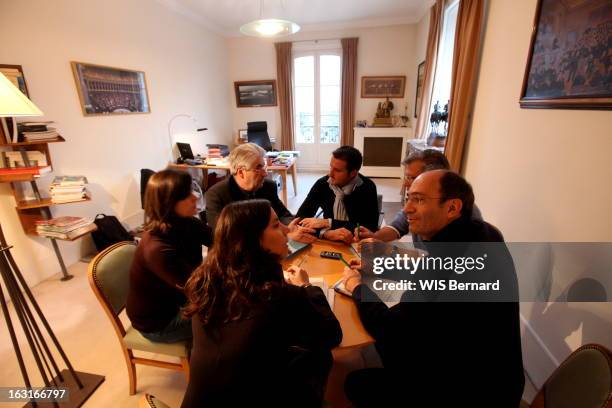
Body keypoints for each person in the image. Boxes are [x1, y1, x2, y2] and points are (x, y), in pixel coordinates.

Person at [342, 170, 524, 407]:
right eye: (408, 198)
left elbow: (389, 328)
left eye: (418, 199)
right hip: (500, 377)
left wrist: (357, 287)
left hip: (472, 391)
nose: (407, 208)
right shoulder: (482, 231)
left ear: (452, 208)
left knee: (355, 381)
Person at [181, 200, 342, 407]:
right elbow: (333, 335)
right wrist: (307, 287)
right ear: (254, 241)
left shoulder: (206, 281)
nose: (286, 230)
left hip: (201, 400)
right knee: (320, 356)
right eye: (276, 225)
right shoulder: (282, 297)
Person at [127, 169, 212, 343]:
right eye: (186, 194)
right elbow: (198, 289)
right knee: (235, 316)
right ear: (169, 203)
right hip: (161, 322)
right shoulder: (157, 248)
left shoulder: (186, 222)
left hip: (180, 299)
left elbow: (219, 239)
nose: (195, 196)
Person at [355, 149, 481, 242]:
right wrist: (374, 237)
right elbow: (398, 225)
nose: (405, 183)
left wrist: (388, 255)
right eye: (406, 177)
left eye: (412, 178)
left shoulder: (470, 233)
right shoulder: (422, 205)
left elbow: (434, 270)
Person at [205, 143, 315, 243]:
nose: (265, 174)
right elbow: (226, 237)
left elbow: (282, 214)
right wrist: (283, 235)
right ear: (241, 172)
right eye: (258, 168)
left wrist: (292, 227)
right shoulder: (216, 195)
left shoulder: (268, 186)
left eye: (264, 166)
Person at [297, 146, 379, 244]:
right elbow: (299, 219)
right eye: (331, 167)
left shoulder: (367, 187)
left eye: (337, 170)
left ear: (353, 173)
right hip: (329, 239)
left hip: (356, 242)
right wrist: (325, 232)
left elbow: (370, 227)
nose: (330, 174)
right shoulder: (322, 184)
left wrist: (329, 223)